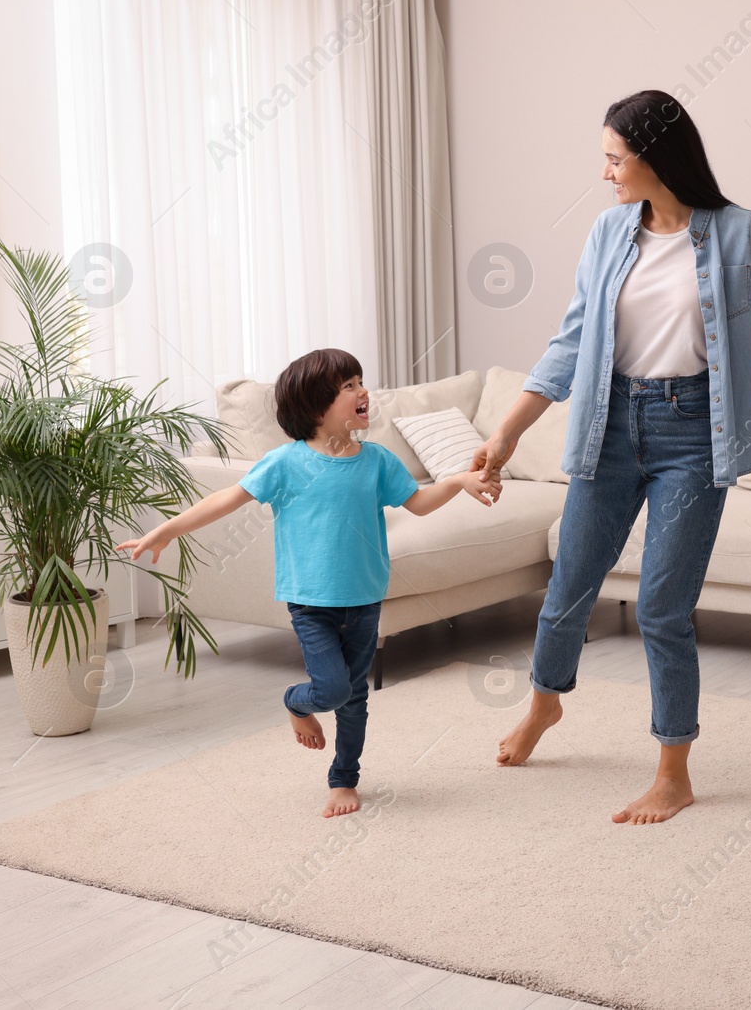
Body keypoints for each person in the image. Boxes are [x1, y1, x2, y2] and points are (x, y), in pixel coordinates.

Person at [472, 89, 751, 824]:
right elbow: (571, 341)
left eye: (615, 159)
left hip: (693, 433)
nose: (606, 173)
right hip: (609, 420)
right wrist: (506, 432)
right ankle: (543, 705)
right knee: (568, 587)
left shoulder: (741, 233)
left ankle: (672, 771)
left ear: (656, 157)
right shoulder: (606, 232)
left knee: (661, 606)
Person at [118, 349, 500, 818]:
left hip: (365, 598)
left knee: (354, 698)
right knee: (334, 690)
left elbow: (418, 503)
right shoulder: (285, 463)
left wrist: (460, 480)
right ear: (316, 406)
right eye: (349, 387)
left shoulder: (376, 460)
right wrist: (165, 530)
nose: (364, 392)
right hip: (310, 602)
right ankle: (295, 702)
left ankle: (343, 779)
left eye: (361, 382)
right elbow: (226, 499)